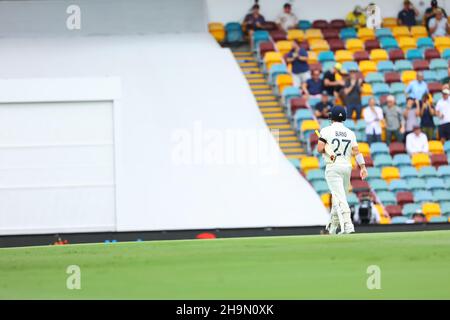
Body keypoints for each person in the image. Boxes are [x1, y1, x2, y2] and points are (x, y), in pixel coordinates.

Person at [317, 106, 368, 234]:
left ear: (331, 117)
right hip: (347, 167)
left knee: (339, 197)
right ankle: (333, 228)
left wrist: (326, 149)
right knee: (339, 197)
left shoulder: (326, 130)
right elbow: (356, 152)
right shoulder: (350, 133)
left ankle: (348, 225)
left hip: (333, 167)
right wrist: (363, 167)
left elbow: (319, 148)